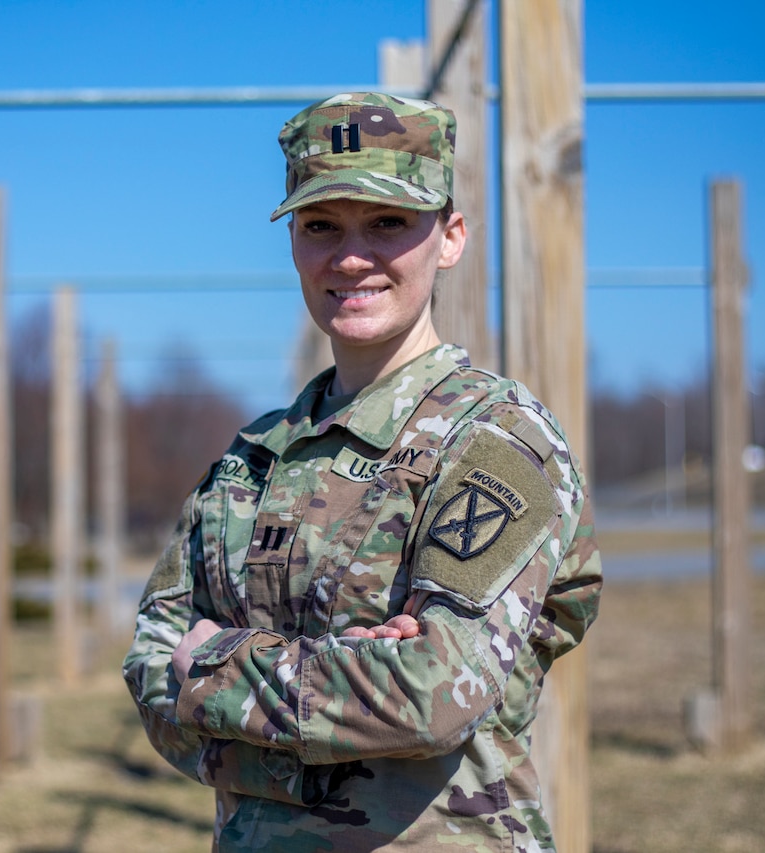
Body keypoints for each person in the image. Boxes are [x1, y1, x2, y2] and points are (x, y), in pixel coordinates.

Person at [123, 92, 602, 851]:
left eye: (387, 223)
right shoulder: (253, 458)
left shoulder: (496, 441)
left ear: (450, 238)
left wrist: (212, 665)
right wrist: (350, 687)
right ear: (293, 245)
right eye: (321, 227)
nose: (350, 257)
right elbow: (150, 665)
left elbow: (434, 690)